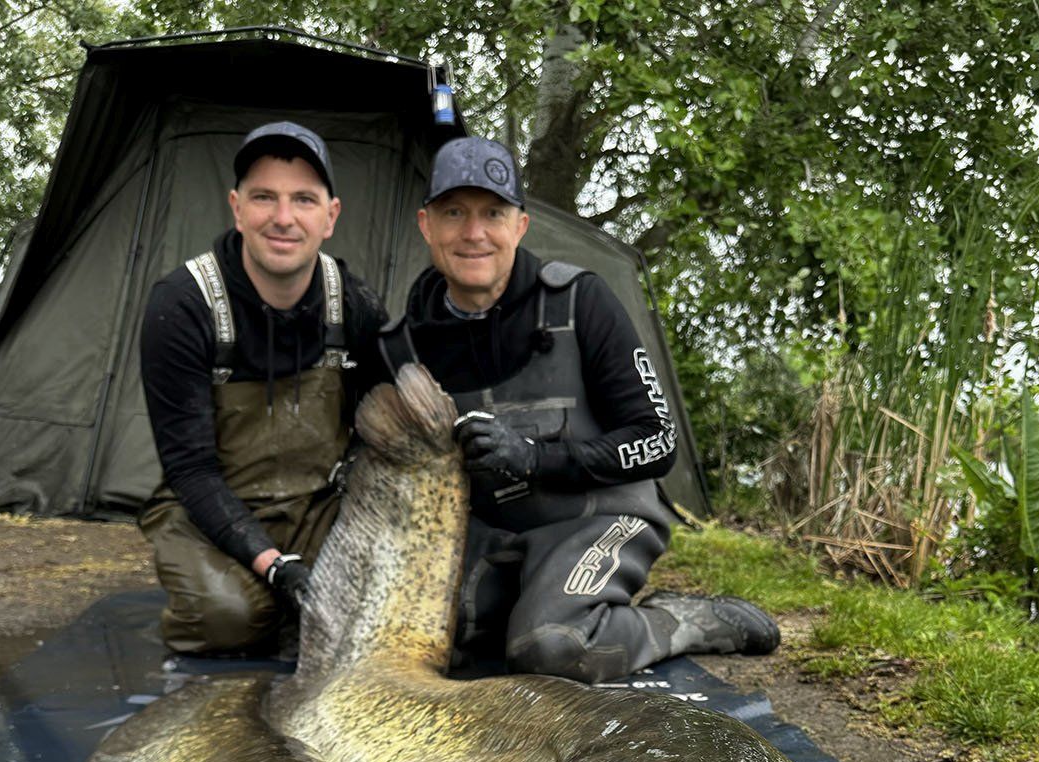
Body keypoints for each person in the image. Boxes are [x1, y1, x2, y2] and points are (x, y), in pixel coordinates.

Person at [379, 136, 780, 683]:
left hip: (599, 516)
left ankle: (684, 621)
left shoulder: (580, 301)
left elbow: (658, 440)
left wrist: (536, 459)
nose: (474, 233)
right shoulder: (402, 344)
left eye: (493, 213)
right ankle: (539, 607)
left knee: (552, 648)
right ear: (427, 225)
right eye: (455, 213)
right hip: (491, 535)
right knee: (429, 648)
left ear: (520, 225)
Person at [139, 122, 387, 654]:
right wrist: (272, 566)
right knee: (229, 621)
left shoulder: (355, 305)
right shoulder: (182, 305)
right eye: (264, 197)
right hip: (208, 509)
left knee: (363, 614)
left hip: (319, 510)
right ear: (236, 207)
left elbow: (381, 434)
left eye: (303, 199)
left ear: (330, 216)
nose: (283, 218)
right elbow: (190, 469)